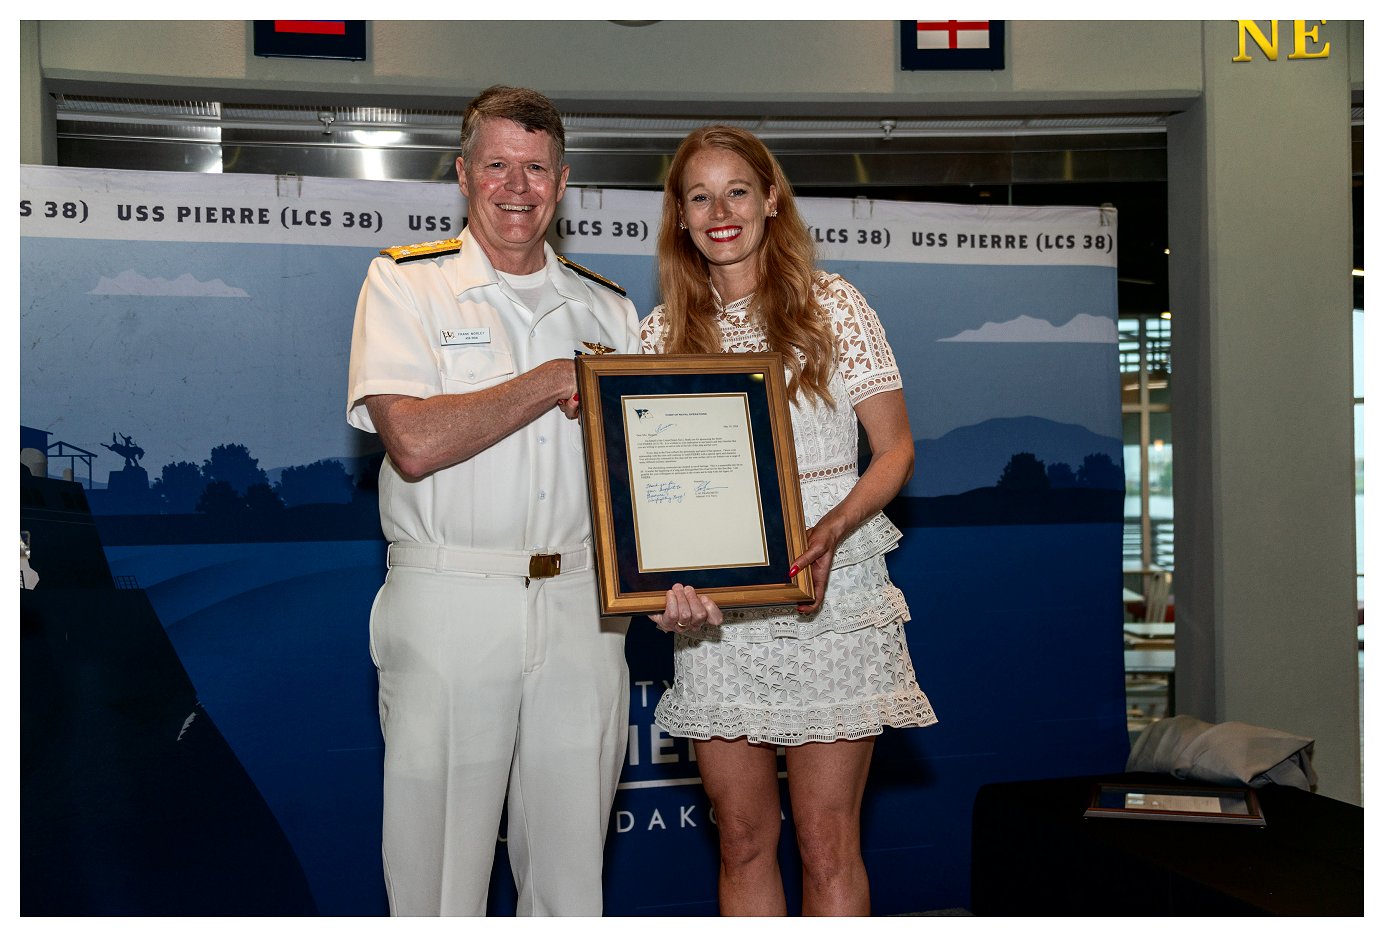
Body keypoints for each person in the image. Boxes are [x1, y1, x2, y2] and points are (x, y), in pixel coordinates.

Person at [345, 85, 645, 916]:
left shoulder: (609, 308)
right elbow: (413, 440)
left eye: (537, 169)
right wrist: (550, 380)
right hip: (453, 596)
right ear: (462, 173)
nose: (518, 188)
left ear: (563, 181)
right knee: (439, 875)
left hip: (584, 605)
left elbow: (638, 480)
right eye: (498, 166)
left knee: (571, 878)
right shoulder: (406, 285)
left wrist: (678, 570)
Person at [642, 125, 938, 916]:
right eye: (699, 197)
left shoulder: (833, 305)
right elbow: (653, 497)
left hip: (831, 593)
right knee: (741, 836)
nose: (720, 212)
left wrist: (832, 529)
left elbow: (896, 451)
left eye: (737, 191)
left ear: (771, 199)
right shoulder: (659, 335)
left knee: (826, 839)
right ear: (680, 216)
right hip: (719, 615)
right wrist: (664, 585)